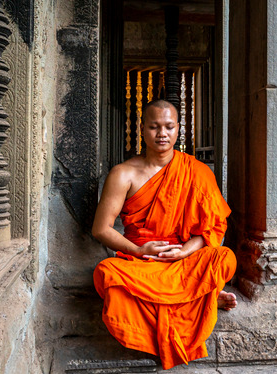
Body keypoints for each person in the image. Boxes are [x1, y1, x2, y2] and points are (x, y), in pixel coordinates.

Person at [92, 99, 237, 370]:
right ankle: (202, 296)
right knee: (107, 272)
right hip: (141, 261)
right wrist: (139, 251)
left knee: (223, 258)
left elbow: (210, 229)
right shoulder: (123, 174)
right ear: (142, 129)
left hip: (183, 259)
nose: (162, 133)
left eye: (169, 127)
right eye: (154, 126)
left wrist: (184, 251)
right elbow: (101, 228)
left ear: (178, 129)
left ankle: (199, 294)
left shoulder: (197, 172)